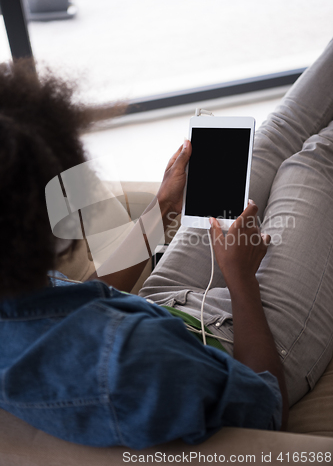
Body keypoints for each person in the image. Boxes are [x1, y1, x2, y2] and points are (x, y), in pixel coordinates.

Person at [0, 38, 332, 448]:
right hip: (244, 337)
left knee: (273, 134)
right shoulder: (139, 360)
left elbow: (79, 302)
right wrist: (241, 278)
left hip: (157, 305)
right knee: (314, 160)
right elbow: (266, 409)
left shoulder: (11, 293)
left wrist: (161, 208)